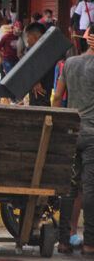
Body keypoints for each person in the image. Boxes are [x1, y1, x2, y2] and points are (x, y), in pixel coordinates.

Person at [54, 24, 94, 256]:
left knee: (69, 187)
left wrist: (58, 127)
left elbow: (58, 97)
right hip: (92, 135)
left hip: (71, 132)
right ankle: (89, 243)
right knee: (89, 188)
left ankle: (64, 242)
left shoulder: (70, 63)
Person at [25, 23, 55, 107]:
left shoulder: (44, 52)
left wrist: (36, 81)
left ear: (36, 36)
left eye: (28, 37)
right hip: (35, 98)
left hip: (41, 97)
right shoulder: (34, 51)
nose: (27, 40)